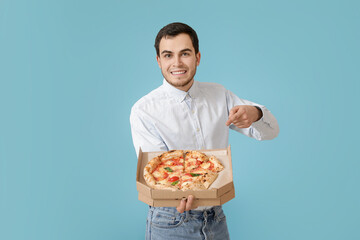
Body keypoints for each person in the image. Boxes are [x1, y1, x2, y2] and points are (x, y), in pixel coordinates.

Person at [130, 22, 279, 240]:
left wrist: (255, 113)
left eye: (185, 53)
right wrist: (182, 191)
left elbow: (271, 131)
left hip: (215, 218)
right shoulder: (144, 110)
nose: (177, 63)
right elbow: (159, 173)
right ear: (158, 61)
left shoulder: (219, 94)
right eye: (168, 55)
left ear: (198, 57)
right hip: (171, 220)